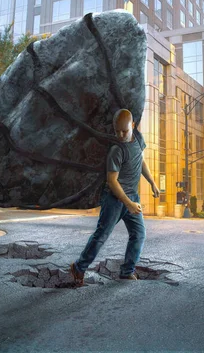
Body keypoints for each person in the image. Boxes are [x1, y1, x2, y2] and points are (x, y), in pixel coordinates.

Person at [70, 109, 159, 284]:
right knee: (102, 235)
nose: (120, 135)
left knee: (139, 234)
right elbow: (112, 181)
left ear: (133, 126)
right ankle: (79, 267)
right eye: (116, 131)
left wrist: (152, 182)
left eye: (124, 131)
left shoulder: (138, 139)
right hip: (114, 199)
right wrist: (129, 204)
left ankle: (127, 271)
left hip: (132, 197)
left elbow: (140, 161)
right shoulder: (116, 150)